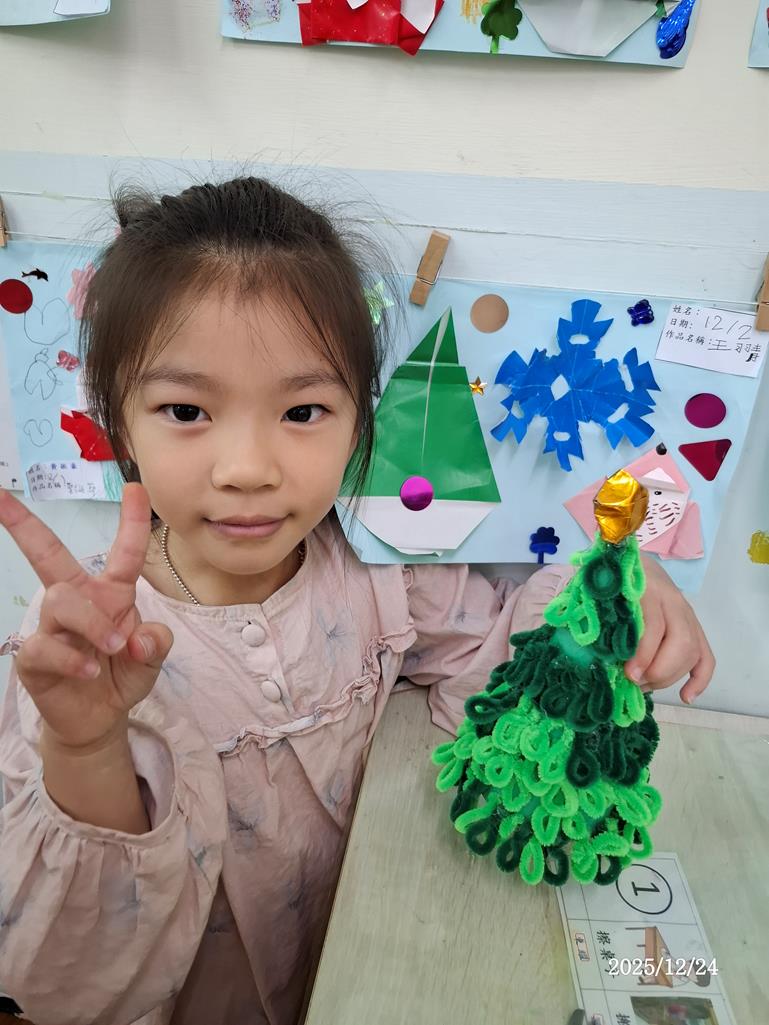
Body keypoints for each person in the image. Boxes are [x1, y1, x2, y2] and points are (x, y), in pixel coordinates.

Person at [0, 177, 715, 1025]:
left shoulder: (380, 573)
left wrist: (616, 582)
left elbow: (500, 658)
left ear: (358, 423)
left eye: (303, 409)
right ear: (118, 422)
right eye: (185, 409)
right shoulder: (81, 648)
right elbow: (63, 968)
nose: (247, 468)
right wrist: (84, 744)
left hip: (364, 973)